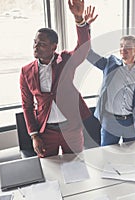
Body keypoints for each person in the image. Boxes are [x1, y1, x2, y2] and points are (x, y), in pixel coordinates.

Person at [19, 0, 97, 158]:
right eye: (35, 42)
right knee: (49, 171)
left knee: (76, 168)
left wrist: (79, 20)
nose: (35, 46)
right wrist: (34, 135)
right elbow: (27, 106)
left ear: (53, 47)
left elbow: (83, 48)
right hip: (45, 132)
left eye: (41, 44)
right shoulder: (26, 71)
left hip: (72, 129)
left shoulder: (66, 60)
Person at [86, 24, 135, 146]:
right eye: (121, 46)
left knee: (132, 156)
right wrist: (85, 27)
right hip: (110, 121)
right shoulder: (110, 64)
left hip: (131, 123)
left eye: (128, 47)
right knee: (107, 156)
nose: (123, 50)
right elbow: (88, 54)